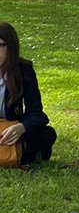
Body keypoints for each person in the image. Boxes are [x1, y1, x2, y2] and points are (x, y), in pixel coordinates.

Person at [0, 22, 57, 165]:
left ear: (11, 47)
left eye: (1, 45)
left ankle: (18, 152)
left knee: (47, 134)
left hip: (11, 130)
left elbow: (37, 113)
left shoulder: (24, 70)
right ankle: (22, 155)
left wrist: (21, 128)